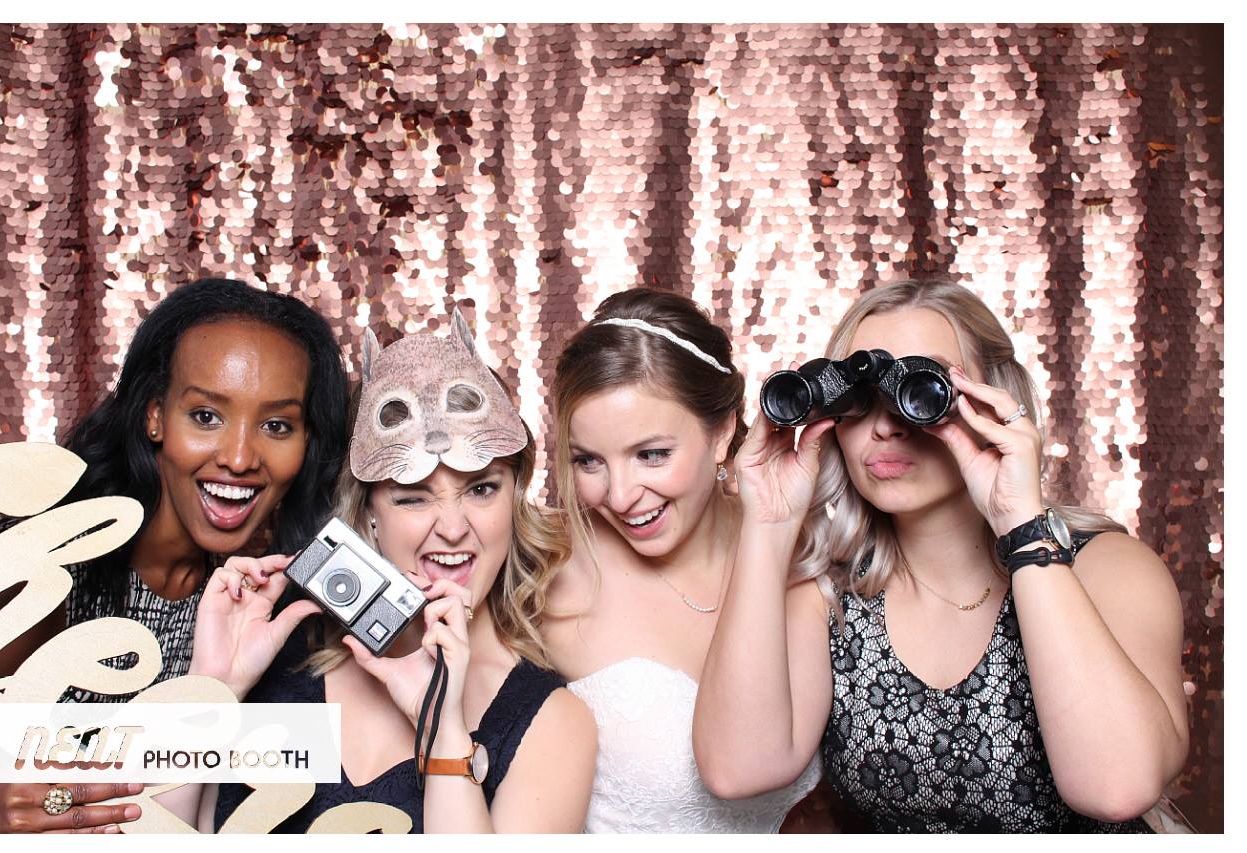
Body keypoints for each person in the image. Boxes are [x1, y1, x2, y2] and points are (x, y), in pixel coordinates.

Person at [692, 279, 1189, 832]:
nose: (885, 426)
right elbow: (738, 769)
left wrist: (1020, 525)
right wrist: (770, 522)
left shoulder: (1106, 568)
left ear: (994, 401)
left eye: (921, 392)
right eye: (862, 400)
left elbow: (1118, 787)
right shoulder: (831, 598)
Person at [177, 310, 596, 833]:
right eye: (413, 498)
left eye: (481, 489)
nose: (451, 528)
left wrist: (444, 732)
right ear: (370, 516)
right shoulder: (283, 659)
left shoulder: (550, 723)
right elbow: (160, 837)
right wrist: (208, 689)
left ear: (516, 497)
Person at [0, 277, 349, 833]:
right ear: (155, 415)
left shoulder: (262, 610)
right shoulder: (41, 564)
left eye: (277, 425)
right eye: (206, 416)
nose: (239, 457)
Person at [541, 288, 821, 832]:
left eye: (652, 455)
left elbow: (751, 762)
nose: (620, 495)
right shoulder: (546, 574)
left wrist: (768, 528)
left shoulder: (809, 555)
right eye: (588, 461)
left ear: (721, 434)